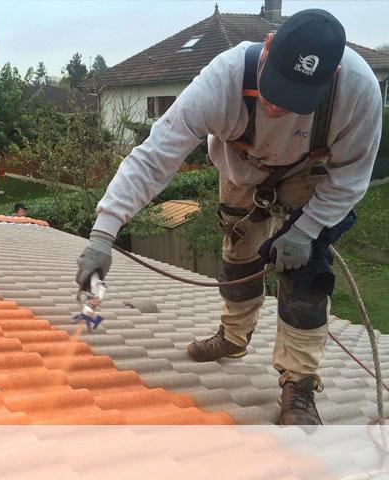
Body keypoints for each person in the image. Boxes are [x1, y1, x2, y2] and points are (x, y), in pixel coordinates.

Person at [75, 9, 382, 425]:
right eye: (273, 91)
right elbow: (154, 157)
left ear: (333, 77)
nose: (276, 108)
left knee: (304, 277)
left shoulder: (358, 92)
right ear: (267, 48)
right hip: (241, 169)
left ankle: (299, 382)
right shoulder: (223, 78)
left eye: (293, 100)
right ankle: (234, 338)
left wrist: (306, 231)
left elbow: (350, 178)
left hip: (308, 176)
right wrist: (104, 232)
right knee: (238, 257)